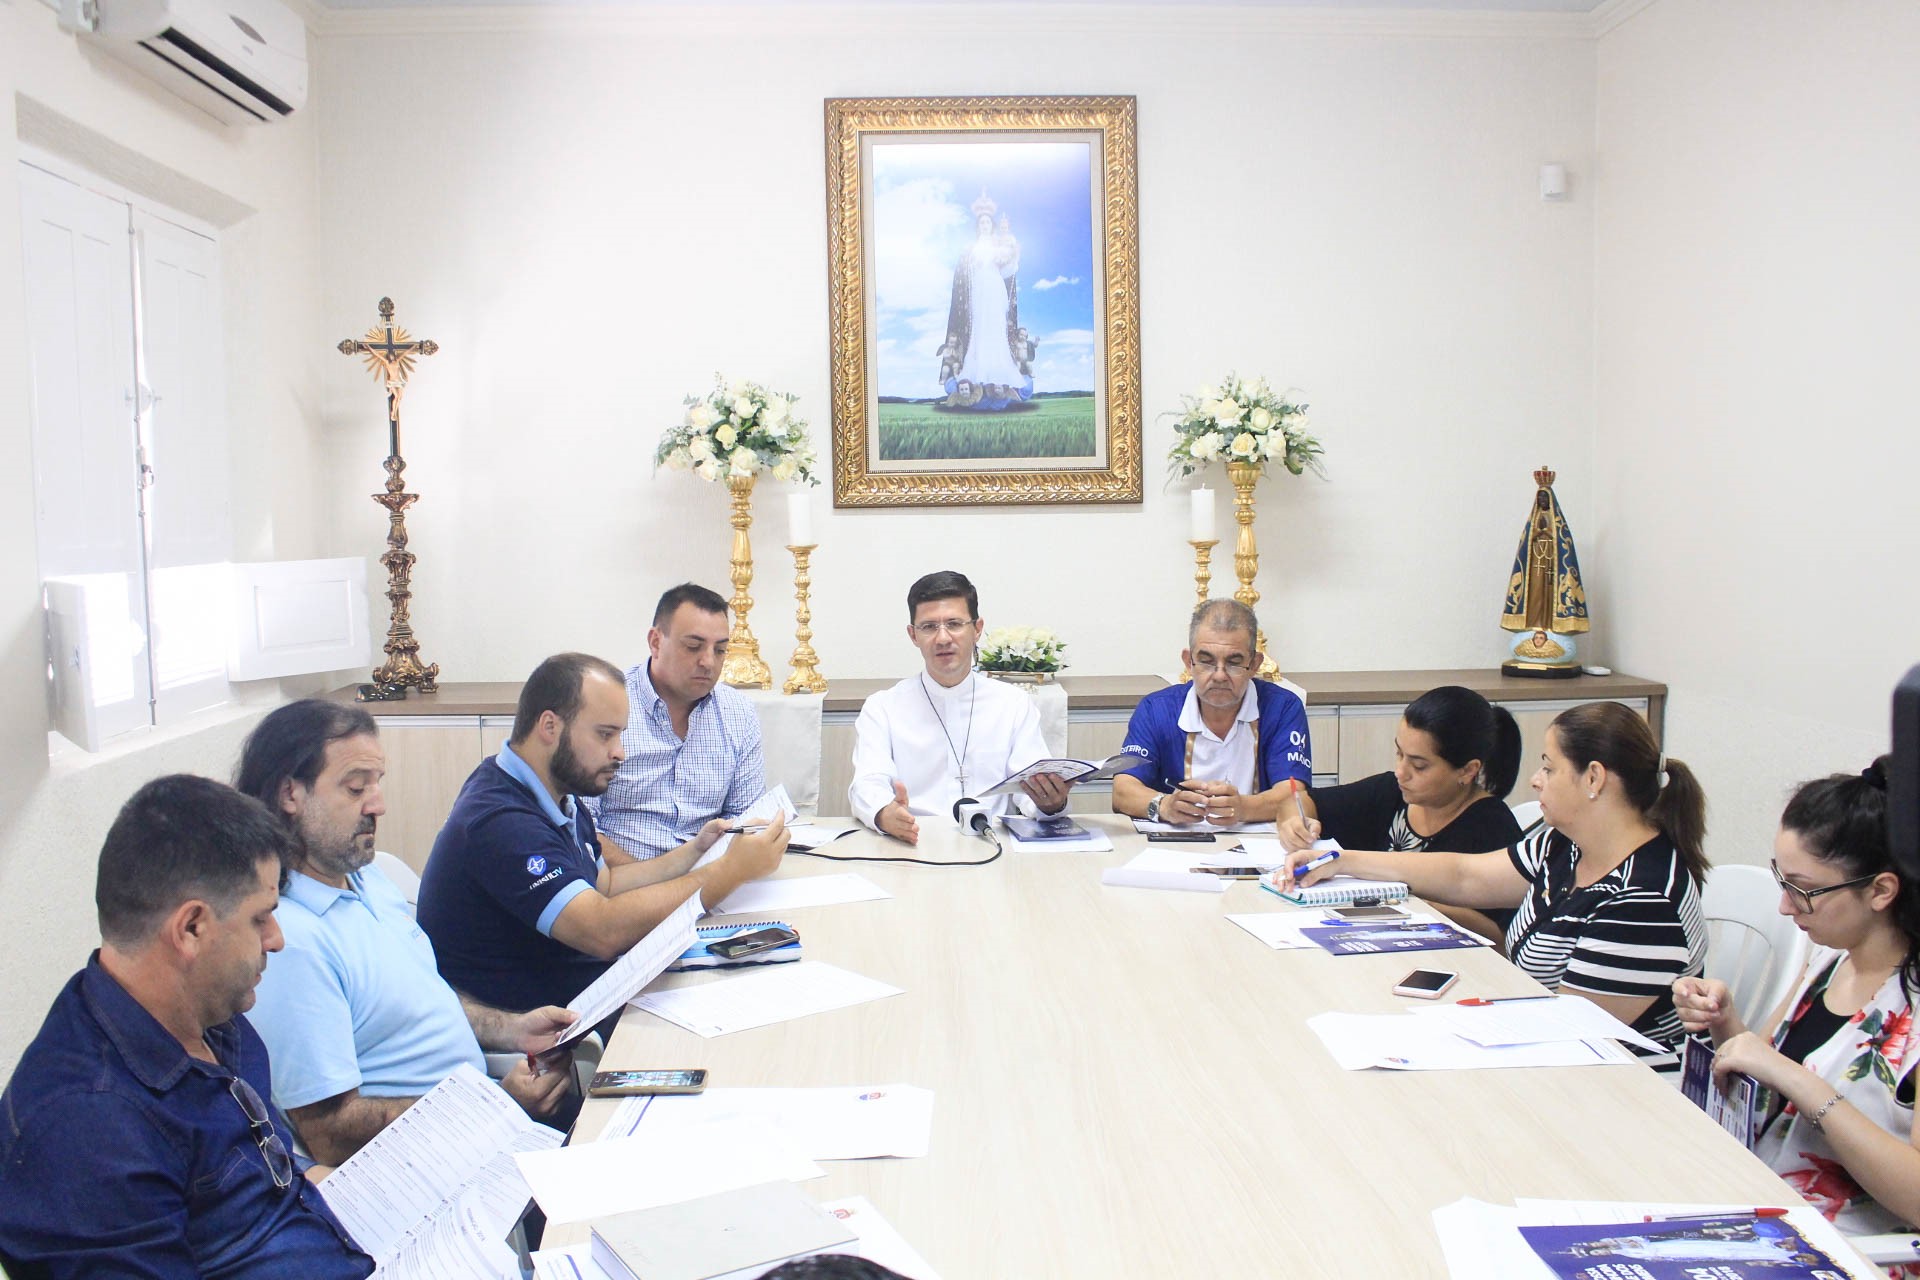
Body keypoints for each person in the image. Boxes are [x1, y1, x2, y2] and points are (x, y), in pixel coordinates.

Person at [0, 775, 374, 1278]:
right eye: (261, 918)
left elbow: (265, 1176)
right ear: (192, 928)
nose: (277, 939)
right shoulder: (89, 1130)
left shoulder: (212, 1016)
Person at [236, 700, 577, 1165]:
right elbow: (329, 1132)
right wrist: (492, 1111)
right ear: (290, 794)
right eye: (356, 788)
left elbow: (416, 1003)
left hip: (482, 1126)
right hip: (429, 1166)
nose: (377, 805)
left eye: (377, 784)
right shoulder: (289, 939)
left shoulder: (367, 876)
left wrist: (512, 1029)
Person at [1281, 701, 1709, 1072]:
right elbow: (1466, 876)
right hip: (1531, 1043)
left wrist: (1443, 1025)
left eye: (1549, 766)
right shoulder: (1565, 845)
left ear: (1594, 778)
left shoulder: (1641, 899)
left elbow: (1574, 1032)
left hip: (1616, 1088)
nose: (1536, 780)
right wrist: (1342, 861)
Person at [417, 652, 789, 1017]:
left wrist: (694, 851)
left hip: (582, 985)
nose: (620, 753)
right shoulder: (500, 821)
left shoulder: (556, 791)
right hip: (533, 1024)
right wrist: (729, 872)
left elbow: (605, 883)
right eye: (605, 735)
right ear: (550, 727)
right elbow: (603, 930)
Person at [1673, 758, 1920, 1254]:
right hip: (1755, 1205)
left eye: (1804, 890)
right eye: (1782, 882)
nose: (1786, 907)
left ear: (1881, 890)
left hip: (1848, 1247)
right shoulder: (1828, 960)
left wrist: (1802, 1083)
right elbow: (1764, 1086)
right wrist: (1727, 1027)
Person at [1277, 685, 1524, 942]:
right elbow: (1299, 801)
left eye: (1419, 765)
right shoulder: (1390, 793)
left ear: (1467, 770)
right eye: (1399, 753)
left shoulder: (1492, 829)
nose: (1401, 771)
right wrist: (1295, 822)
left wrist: (1409, 902)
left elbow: (1502, 939)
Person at [849, 571, 1068, 845]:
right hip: (914, 843)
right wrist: (884, 813)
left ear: (977, 629)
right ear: (913, 635)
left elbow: (1029, 789)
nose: (942, 638)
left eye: (954, 624)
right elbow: (867, 782)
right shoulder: (882, 707)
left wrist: (1049, 804)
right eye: (928, 627)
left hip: (994, 845)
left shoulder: (1012, 704)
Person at [588, 584, 768, 861]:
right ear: (656, 642)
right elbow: (582, 827)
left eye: (720, 651)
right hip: (622, 882)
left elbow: (744, 819)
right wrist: (655, 883)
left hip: (709, 880)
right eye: (693, 647)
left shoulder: (738, 712)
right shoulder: (605, 704)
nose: (708, 662)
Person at [1111, 600, 1312, 827]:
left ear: (1255, 664)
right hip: (1174, 846)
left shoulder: (1283, 708)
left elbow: (1293, 794)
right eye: (1206, 662)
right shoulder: (1156, 710)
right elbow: (1123, 790)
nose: (1219, 675)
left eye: (1234, 663)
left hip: (1259, 846)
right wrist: (1164, 805)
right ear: (1189, 662)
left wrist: (1244, 808)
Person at [935, 191, 1031, 410]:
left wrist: (1013, 255)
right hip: (978, 290)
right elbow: (964, 273)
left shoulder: (999, 244)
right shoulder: (971, 248)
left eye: (988, 221)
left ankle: (999, 374)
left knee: (995, 327)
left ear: (992, 225)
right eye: (982, 222)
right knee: (979, 328)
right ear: (978, 226)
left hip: (995, 288)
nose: (985, 225)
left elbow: (1007, 272)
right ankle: (976, 373)